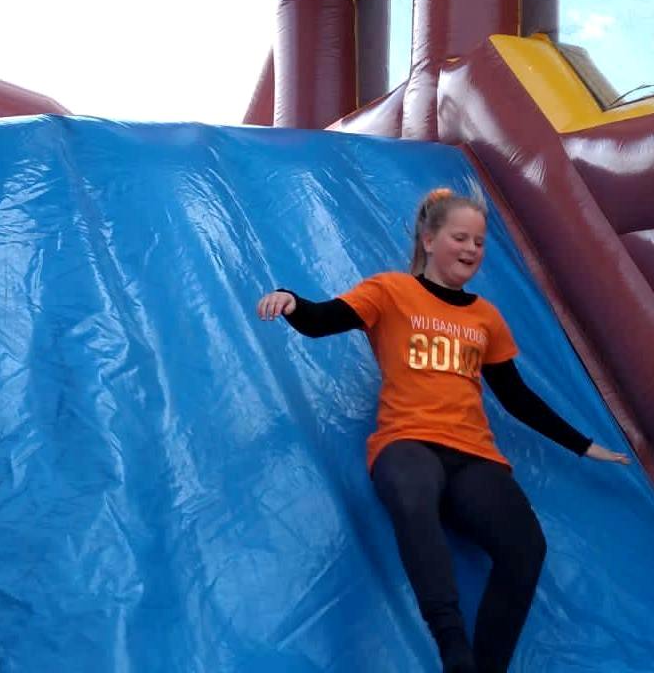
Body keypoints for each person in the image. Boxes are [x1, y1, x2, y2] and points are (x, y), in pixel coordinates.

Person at [256, 187, 630, 673]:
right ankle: (453, 649)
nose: (472, 249)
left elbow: (516, 396)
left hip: (474, 456)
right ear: (430, 240)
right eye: (460, 237)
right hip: (407, 443)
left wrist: (583, 445)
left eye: (479, 242)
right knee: (414, 497)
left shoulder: (486, 317)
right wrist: (291, 300)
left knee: (526, 548)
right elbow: (324, 319)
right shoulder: (391, 291)